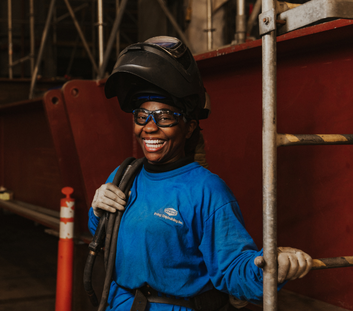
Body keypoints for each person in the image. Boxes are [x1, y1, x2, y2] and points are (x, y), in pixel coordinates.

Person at [88, 36, 312, 311]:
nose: (149, 127)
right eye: (142, 115)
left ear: (190, 126)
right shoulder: (125, 175)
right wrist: (98, 210)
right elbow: (104, 236)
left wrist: (269, 266)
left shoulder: (207, 191)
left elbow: (232, 269)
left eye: (165, 116)